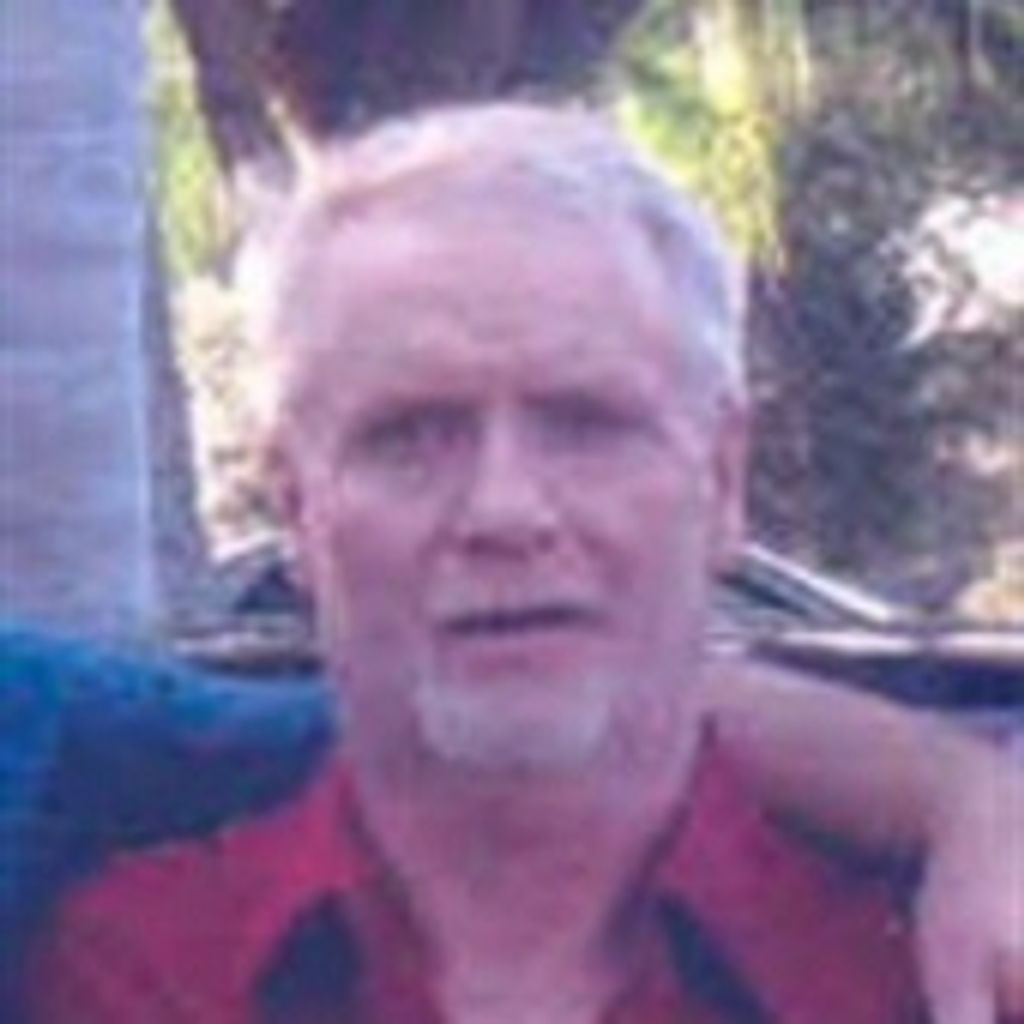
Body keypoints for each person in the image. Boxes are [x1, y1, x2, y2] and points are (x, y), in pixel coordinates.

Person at [20, 104, 1024, 1023]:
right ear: (296, 508)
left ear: (722, 480)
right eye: (411, 434)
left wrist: (974, 797)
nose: (504, 509)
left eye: (587, 423)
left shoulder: (928, 960)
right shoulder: (146, 973)